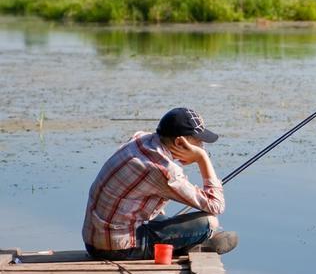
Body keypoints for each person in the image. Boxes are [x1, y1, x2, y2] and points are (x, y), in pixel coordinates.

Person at [82, 107, 238, 260]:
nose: (201, 147)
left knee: (165, 218)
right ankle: (191, 246)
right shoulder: (164, 170)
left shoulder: (141, 139)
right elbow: (215, 205)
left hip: (96, 237)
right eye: (198, 142)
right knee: (209, 222)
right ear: (179, 142)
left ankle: (190, 243)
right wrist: (202, 158)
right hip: (115, 249)